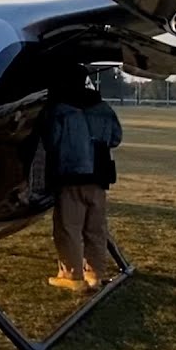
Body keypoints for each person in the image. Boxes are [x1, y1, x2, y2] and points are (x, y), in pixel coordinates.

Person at [41, 62, 123, 292]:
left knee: (69, 228)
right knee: (96, 229)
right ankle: (95, 275)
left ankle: (72, 275)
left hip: (71, 176)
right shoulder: (103, 107)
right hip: (99, 176)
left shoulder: (60, 109)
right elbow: (116, 138)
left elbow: (51, 141)